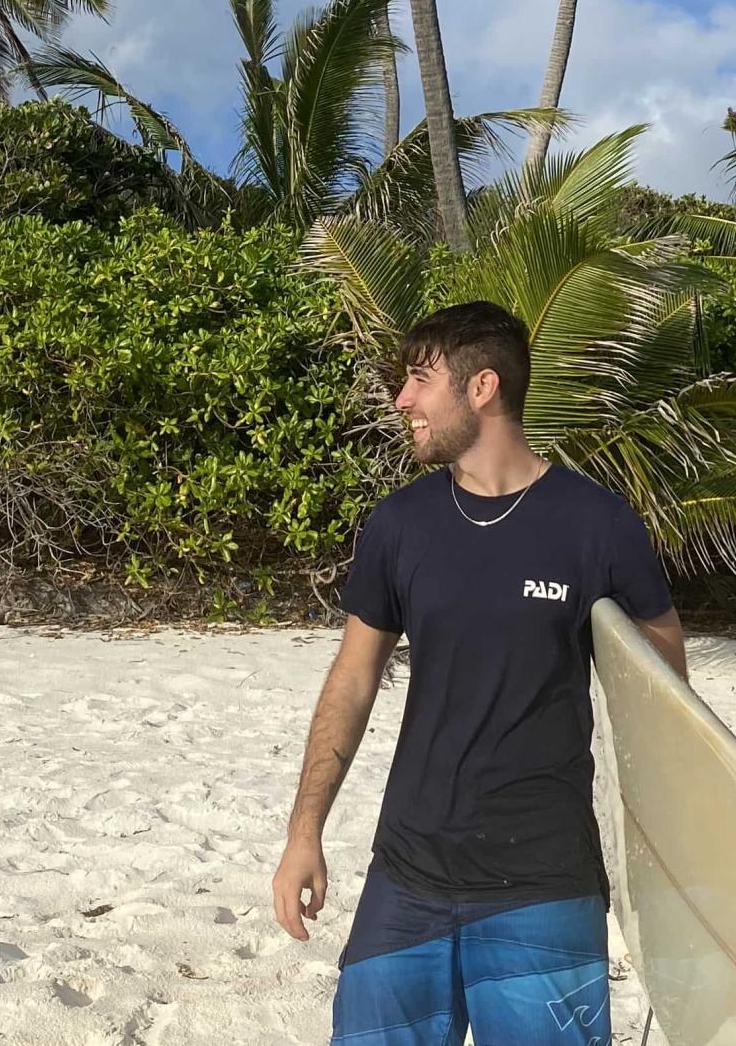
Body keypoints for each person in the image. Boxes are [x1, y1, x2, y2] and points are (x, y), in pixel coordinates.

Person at [270, 301, 689, 1045]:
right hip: (406, 873)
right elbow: (353, 679)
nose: (402, 400)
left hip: (545, 885)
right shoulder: (400, 525)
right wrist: (306, 830)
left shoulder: (597, 526)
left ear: (482, 387)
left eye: (419, 379)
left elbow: (665, 700)